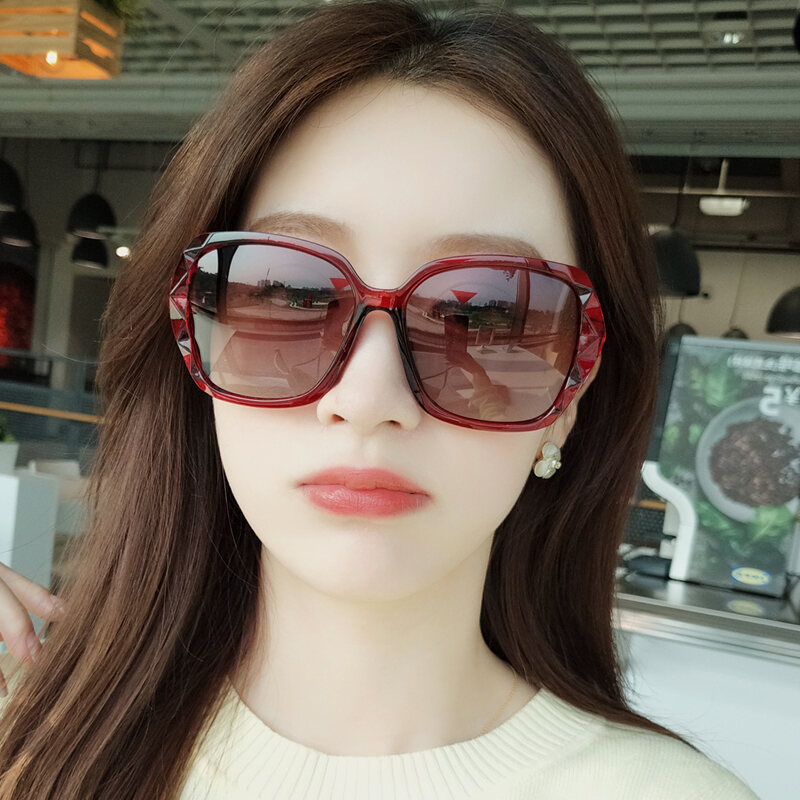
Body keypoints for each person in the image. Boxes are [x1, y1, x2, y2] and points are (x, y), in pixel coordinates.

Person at [0, 1, 760, 798]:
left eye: (484, 313)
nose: (369, 397)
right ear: (194, 340)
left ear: (572, 393)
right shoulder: (34, 735)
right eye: (288, 294)